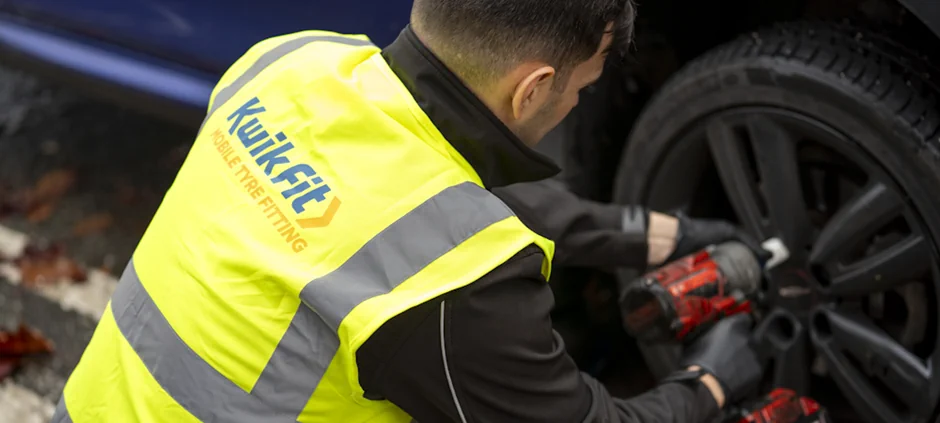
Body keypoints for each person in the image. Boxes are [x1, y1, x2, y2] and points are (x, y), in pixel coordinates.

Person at [53, 1, 764, 422]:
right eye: (581, 89)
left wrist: (656, 237)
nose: (577, 104)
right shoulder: (455, 295)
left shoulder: (290, 62)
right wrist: (709, 381)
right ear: (534, 88)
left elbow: (439, 199)